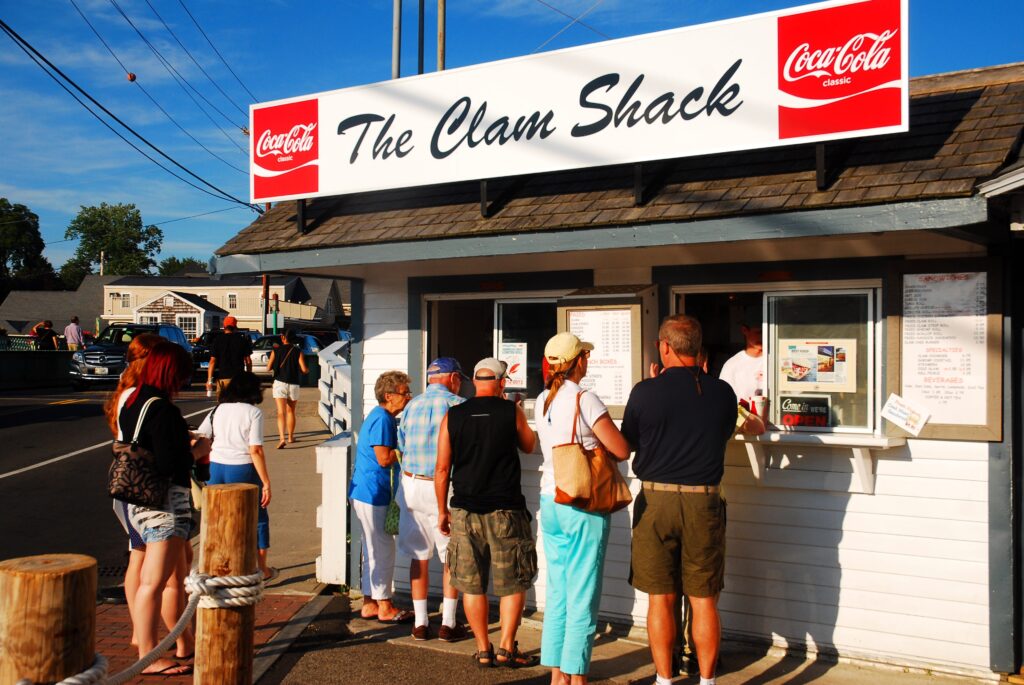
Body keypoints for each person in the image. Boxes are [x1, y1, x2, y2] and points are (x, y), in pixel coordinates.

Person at [621, 315, 738, 685]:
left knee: (661, 598)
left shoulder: (644, 392)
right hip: (704, 501)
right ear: (700, 350)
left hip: (656, 501)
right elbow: (722, 434)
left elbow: (630, 442)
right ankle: (706, 680)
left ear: (664, 346)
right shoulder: (722, 392)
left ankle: (664, 679)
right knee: (703, 599)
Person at [535, 333, 631, 685]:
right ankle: (577, 677)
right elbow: (620, 449)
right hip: (582, 503)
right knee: (583, 595)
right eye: (585, 356)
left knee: (558, 591)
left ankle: (557, 675)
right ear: (577, 361)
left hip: (551, 499)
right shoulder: (585, 398)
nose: (587, 361)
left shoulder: (542, 399)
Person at [435, 357, 538, 669]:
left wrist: (442, 510)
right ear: (502, 382)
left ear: (475, 382)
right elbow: (530, 445)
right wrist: (513, 409)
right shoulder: (511, 411)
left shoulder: (453, 415)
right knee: (513, 582)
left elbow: (442, 470)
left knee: (471, 583)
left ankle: (483, 648)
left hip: (465, 511)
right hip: (506, 510)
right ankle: (507, 647)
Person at [117, 341, 209, 677]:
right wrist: (198, 450)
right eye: (182, 374)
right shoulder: (163, 409)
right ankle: (150, 655)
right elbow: (172, 462)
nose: (184, 381)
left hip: (137, 500)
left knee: (151, 579)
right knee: (157, 582)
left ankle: (164, 646)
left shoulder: (130, 400)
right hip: (164, 502)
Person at [396, 357, 469, 642]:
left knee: (419, 556)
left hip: (412, 484)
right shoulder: (458, 405)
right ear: (452, 378)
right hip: (443, 487)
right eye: (459, 378)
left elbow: (401, 443)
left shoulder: (411, 405)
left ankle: (421, 622)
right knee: (451, 555)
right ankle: (448, 622)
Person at [197, 371, 276, 581]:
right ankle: (261, 568)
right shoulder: (253, 412)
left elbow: (201, 434)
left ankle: (219, 564)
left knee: (218, 516)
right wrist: (266, 482)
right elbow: (255, 449)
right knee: (258, 517)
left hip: (216, 466)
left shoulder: (218, 409)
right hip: (242, 467)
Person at [349, 370, 414, 623]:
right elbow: (383, 458)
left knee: (372, 547)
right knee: (382, 549)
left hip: (366, 491)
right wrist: (405, 452)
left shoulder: (378, 417)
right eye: (404, 393)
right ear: (389, 396)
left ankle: (370, 603)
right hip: (373, 492)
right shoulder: (384, 419)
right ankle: (385, 606)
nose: (408, 397)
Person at [267, 329, 309, 449]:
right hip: (293, 384)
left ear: (282, 337)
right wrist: (307, 370)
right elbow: (304, 369)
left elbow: (268, 368)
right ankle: (290, 437)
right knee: (291, 411)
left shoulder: (275, 351)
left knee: (281, 412)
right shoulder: (298, 352)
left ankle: (281, 438)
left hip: (279, 383)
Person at [719, 312, 765, 409]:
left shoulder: (775, 361)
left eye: (766, 332)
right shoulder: (732, 365)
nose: (763, 337)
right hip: (744, 422)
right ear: (744, 330)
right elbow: (723, 400)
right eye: (759, 332)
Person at [206, 316, 252, 396]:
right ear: (235, 327)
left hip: (223, 378)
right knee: (238, 404)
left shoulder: (217, 340)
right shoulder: (242, 340)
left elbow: (212, 361)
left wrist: (209, 380)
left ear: (224, 327)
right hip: (238, 379)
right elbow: (248, 361)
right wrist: (248, 377)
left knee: (223, 405)